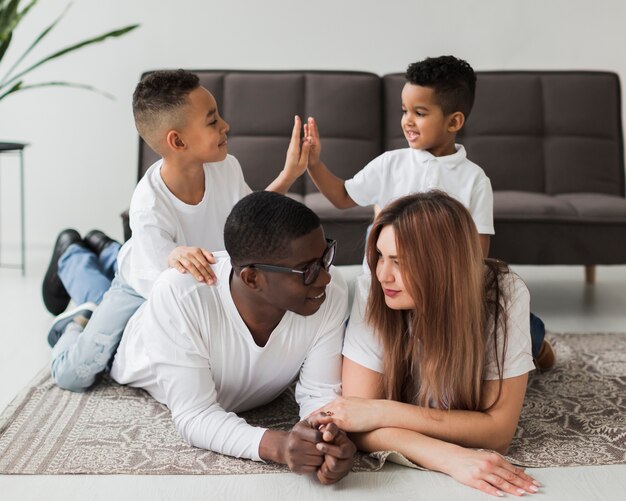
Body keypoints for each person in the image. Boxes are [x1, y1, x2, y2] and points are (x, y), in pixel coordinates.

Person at [44, 69, 311, 391]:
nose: (226, 125)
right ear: (178, 140)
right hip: (140, 284)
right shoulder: (148, 204)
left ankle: (103, 248)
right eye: (212, 121)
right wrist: (173, 255)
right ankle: (74, 293)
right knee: (75, 375)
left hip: (176, 270)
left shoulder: (226, 167)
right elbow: (161, 284)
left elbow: (252, 218)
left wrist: (289, 174)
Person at [296, 55, 553, 369]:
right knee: (351, 349)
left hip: (444, 292)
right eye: (405, 111)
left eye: (419, 113)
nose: (407, 121)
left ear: (454, 121)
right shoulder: (390, 164)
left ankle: (536, 340)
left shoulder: (474, 180)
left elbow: (478, 251)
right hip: (388, 291)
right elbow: (341, 196)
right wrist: (314, 164)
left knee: (499, 321)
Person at [110, 191, 355, 483]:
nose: (325, 276)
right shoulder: (181, 295)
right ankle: (85, 256)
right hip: (130, 336)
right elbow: (195, 415)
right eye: (307, 270)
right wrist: (280, 446)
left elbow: (319, 391)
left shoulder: (329, 290)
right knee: (76, 360)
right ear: (252, 278)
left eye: (325, 257)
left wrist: (324, 438)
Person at [311, 191, 541, 496]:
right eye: (380, 256)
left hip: (496, 323)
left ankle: (541, 349)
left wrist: (383, 411)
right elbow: (355, 418)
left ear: (441, 266)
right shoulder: (375, 288)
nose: (383, 274)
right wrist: (448, 457)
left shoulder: (505, 292)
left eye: (398, 261)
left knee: (534, 337)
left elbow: (498, 433)